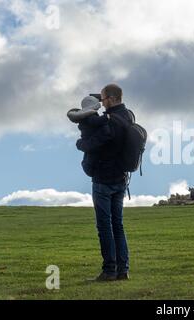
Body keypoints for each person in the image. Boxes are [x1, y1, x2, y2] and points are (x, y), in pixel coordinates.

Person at [76, 84, 134, 282]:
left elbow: (93, 143)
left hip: (103, 179)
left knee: (105, 226)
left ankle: (109, 270)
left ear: (110, 98)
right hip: (121, 178)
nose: (101, 104)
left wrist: (80, 143)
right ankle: (123, 270)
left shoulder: (109, 121)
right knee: (118, 225)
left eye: (102, 99)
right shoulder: (128, 116)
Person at [67, 96, 111, 177]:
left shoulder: (84, 116)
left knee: (90, 156)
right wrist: (107, 117)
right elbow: (96, 121)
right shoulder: (89, 116)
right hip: (91, 141)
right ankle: (91, 169)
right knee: (93, 156)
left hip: (87, 140)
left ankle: (90, 168)